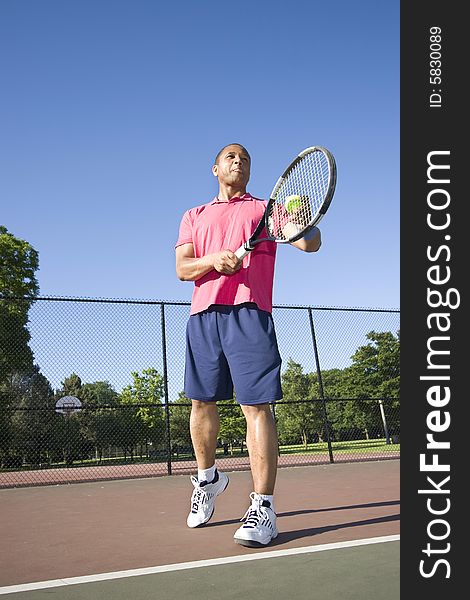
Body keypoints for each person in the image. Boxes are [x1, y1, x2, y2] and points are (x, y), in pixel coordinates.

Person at [175, 143, 321, 547]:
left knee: (255, 407)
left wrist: (301, 220)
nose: (238, 162)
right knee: (201, 402)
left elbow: (310, 244)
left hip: (250, 313)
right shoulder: (194, 215)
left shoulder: (265, 210)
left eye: (245, 159)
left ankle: (264, 507)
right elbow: (182, 269)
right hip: (203, 316)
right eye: (230, 157)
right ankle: (208, 481)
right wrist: (213, 261)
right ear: (215, 168)